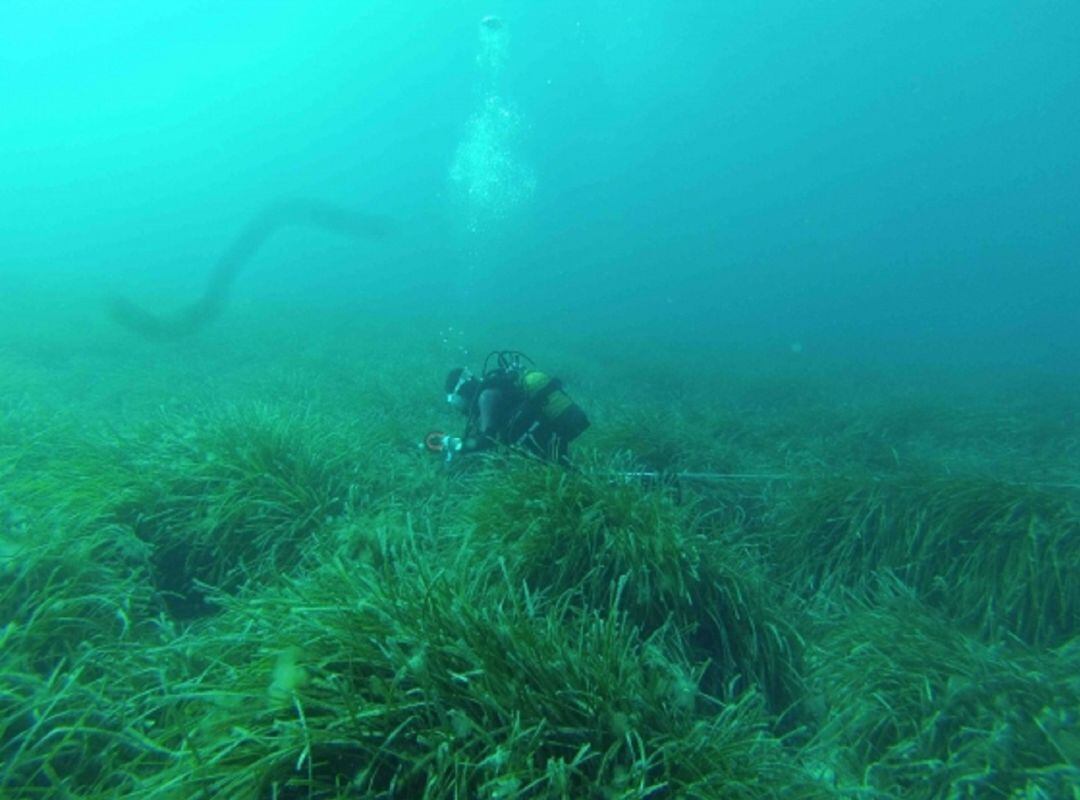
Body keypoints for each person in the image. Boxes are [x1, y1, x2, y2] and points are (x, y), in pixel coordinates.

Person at [440, 351, 590, 464]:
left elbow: (486, 441)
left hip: (544, 441)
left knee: (568, 469)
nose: (460, 408)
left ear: (463, 392)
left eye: (456, 401)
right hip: (548, 435)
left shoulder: (486, 397)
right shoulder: (492, 390)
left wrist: (453, 444)